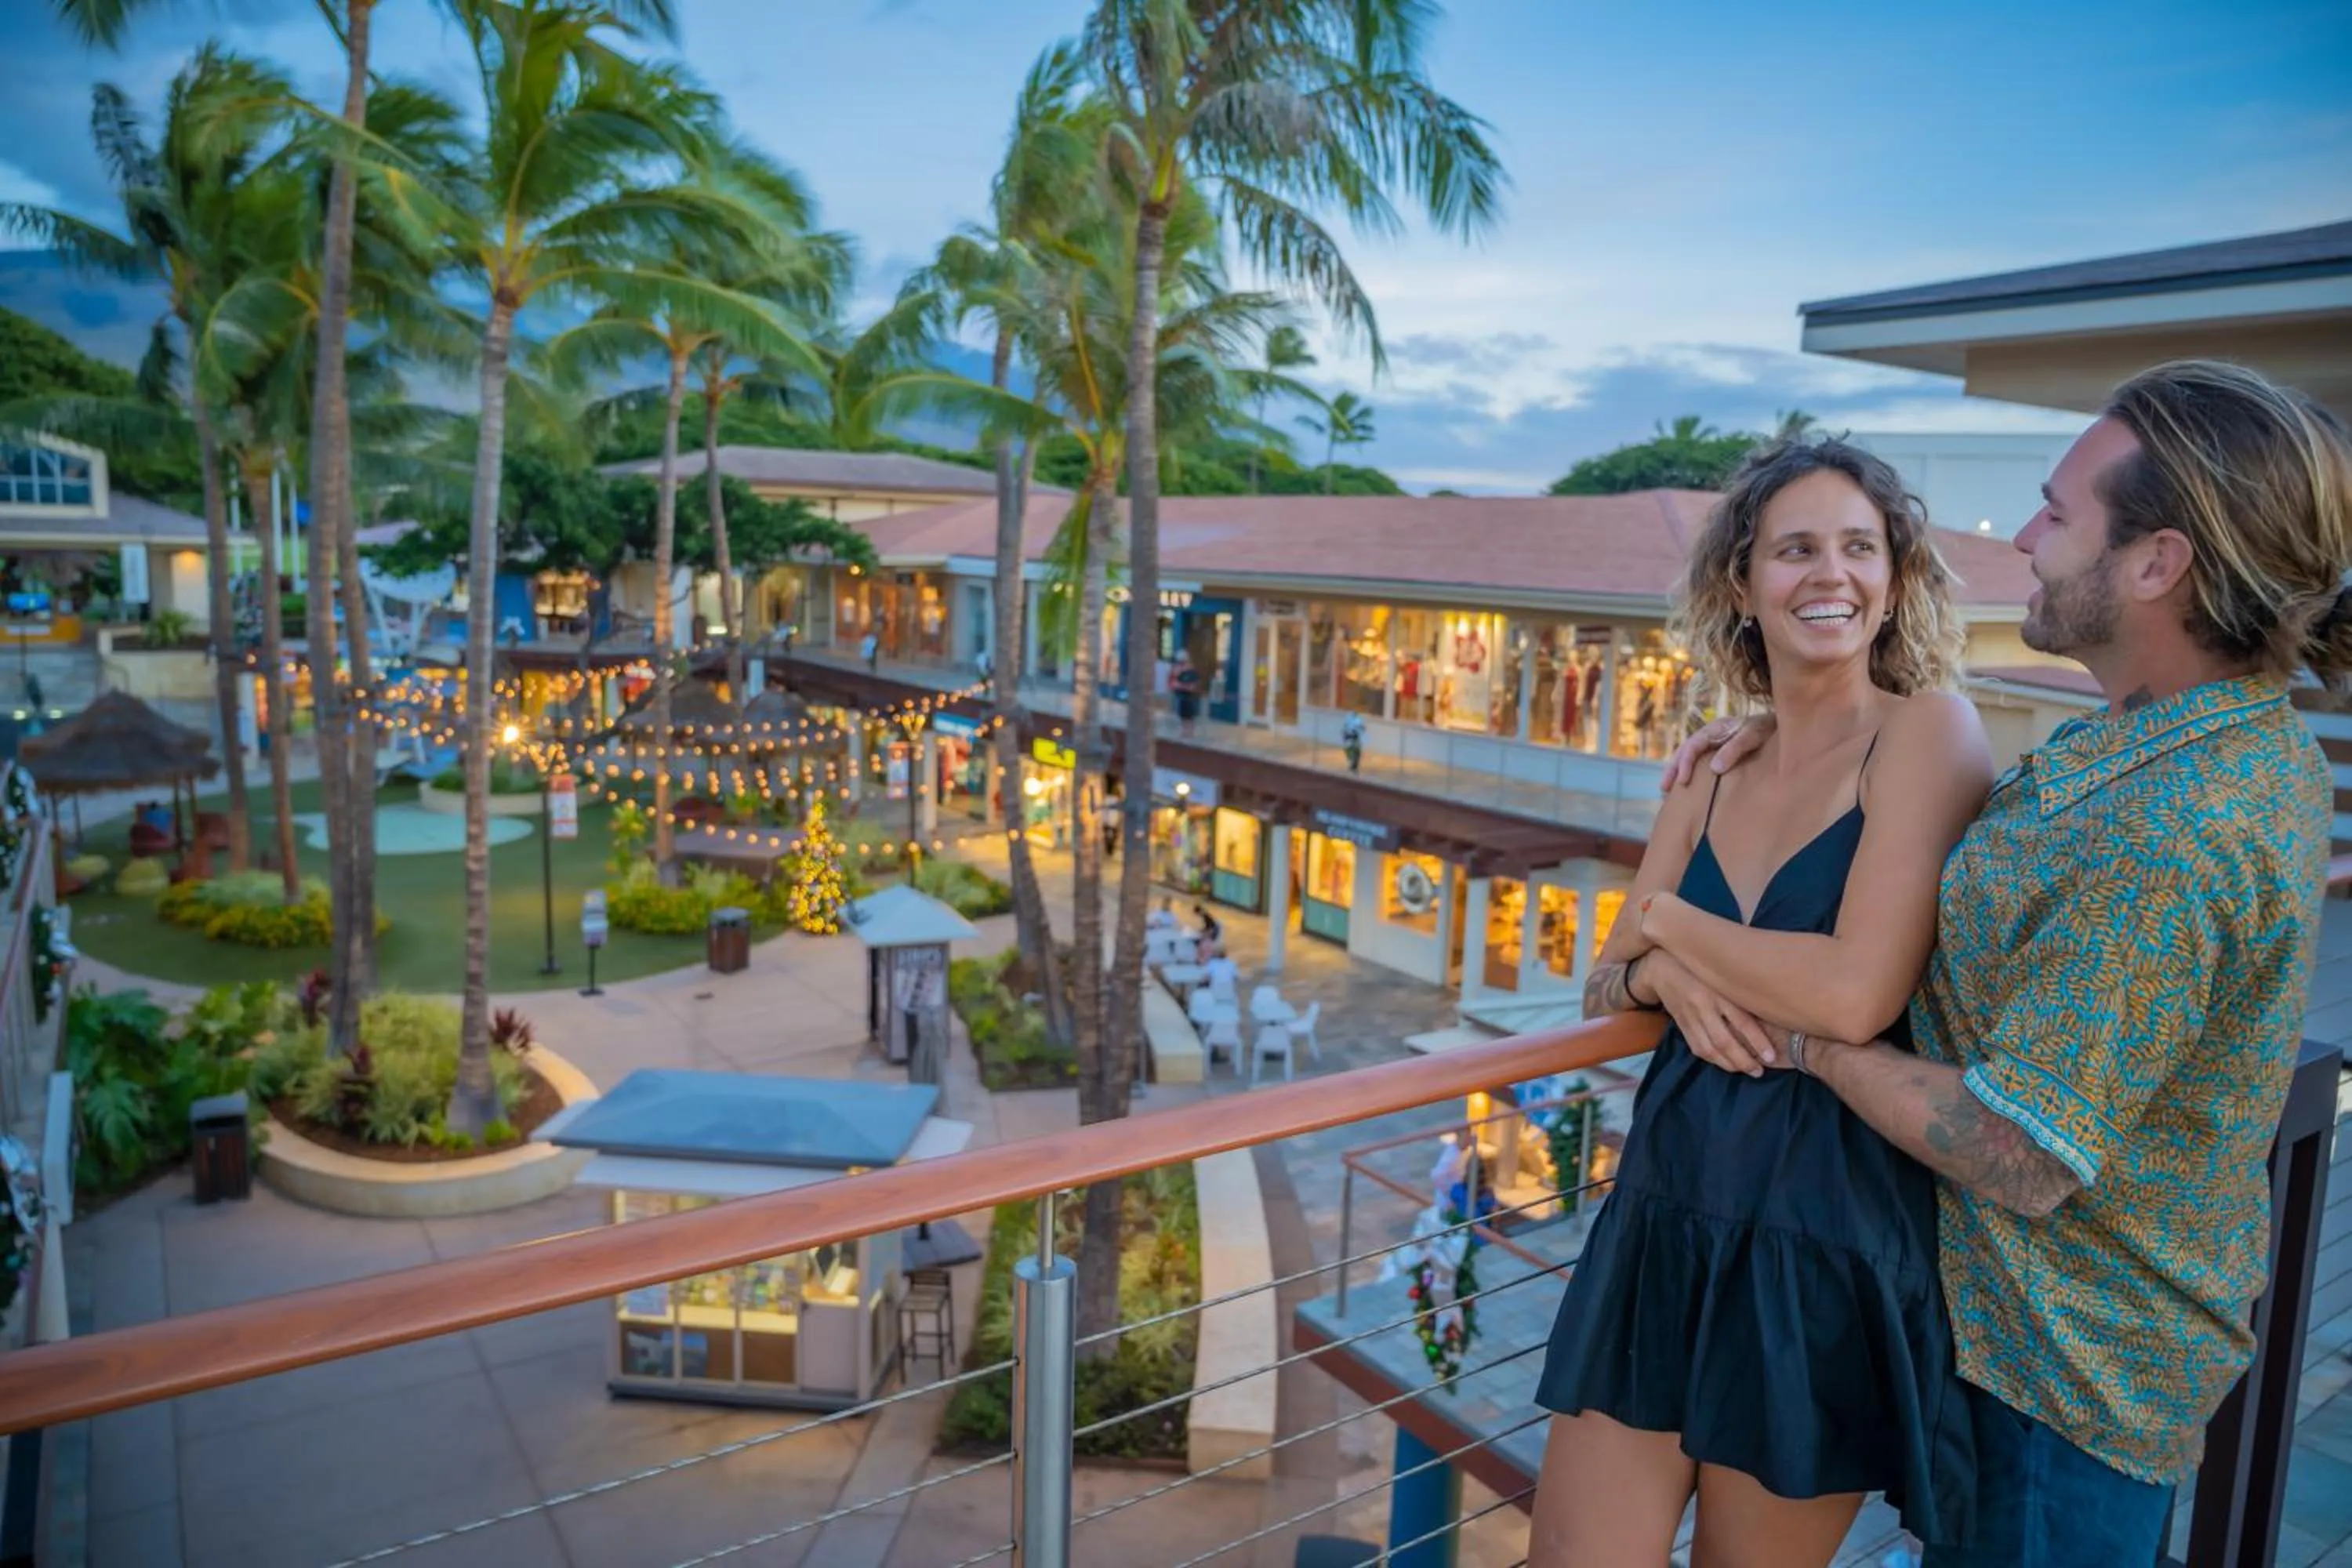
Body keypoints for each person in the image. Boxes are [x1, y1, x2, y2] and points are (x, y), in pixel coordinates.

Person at [1657, 361, 2352, 1566]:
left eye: (2057, 510)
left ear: (2157, 564)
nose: (2024, 538)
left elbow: (2020, 1151)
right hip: (2013, 1344)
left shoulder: (2174, 826)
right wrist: (1793, 733)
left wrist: (1813, 1041)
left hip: (2063, 1386)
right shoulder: (2177, 744)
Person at [1530, 436, 1993, 1566]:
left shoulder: (1929, 729)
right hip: (1663, 1212)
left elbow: (1852, 992)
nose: (1828, 575)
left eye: (1858, 548)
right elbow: (1607, 979)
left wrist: (1669, 929)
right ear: (1743, 583)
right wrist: (1660, 974)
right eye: (1794, 550)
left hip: (1817, 1242)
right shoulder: (1716, 766)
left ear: (1894, 578)